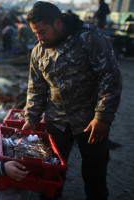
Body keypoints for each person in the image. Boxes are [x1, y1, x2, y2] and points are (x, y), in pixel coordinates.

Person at [23, 2, 122, 200]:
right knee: (51, 172)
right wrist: (31, 118)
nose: (39, 37)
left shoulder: (90, 39)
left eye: (42, 31)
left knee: (94, 173)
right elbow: (36, 88)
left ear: (57, 23)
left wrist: (102, 117)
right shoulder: (39, 50)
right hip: (56, 121)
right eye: (35, 33)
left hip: (90, 121)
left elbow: (110, 79)